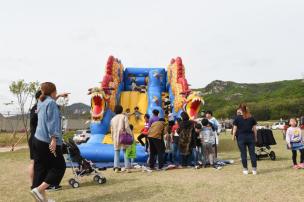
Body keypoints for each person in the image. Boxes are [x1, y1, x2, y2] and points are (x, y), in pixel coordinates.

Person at [31, 82, 66, 202]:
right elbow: (52, 123)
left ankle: (41, 199)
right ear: (52, 92)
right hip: (47, 141)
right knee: (59, 167)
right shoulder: (51, 103)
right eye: (56, 91)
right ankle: (39, 189)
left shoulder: (41, 101)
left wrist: (60, 95)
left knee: (40, 169)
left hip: (37, 139)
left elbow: (50, 101)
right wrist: (54, 139)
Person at [232, 104, 258, 175]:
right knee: (252, 154)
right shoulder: (252, 118)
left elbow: (234, 129)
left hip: (241, 137)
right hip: (250, 137)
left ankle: (245, 170)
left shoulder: (237, 118)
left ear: (240, 110)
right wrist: (256, 137)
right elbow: (255, 129)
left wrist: (233, 136)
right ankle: (254, 170)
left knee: (243, 154)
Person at [110, 105, 132, 173]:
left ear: (115, 111)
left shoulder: (113, 119)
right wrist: (130, 134)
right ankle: (127, 168)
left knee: (116, 152)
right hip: (123, 136)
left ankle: (116, 167)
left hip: (115, 137)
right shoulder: (124, 117)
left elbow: (112, 129)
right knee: (125, 151)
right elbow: (127, 127)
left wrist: (112, 137)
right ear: (121, 110)